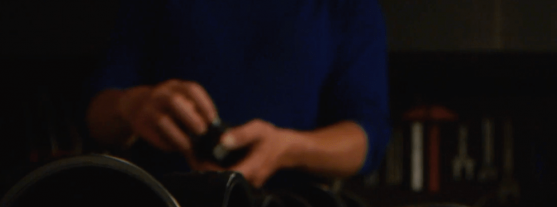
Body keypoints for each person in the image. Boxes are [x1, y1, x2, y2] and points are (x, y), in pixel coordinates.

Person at [85, 0, 390, 188]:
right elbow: (97, 114)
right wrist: (131, 106)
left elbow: (367, 138)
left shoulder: (349, 5)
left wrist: (287, 149)